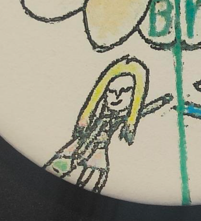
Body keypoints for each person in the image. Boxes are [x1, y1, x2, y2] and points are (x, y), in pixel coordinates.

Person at [45, 56, 172, 193]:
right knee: (55, 172)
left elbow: (146, 109)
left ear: (135, 95)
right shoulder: (95, 116)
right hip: (77, 147)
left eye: (125, 91)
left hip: (97, 154)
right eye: (111, 91)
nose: (117, 96)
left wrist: (163, 101)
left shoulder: (123, 118)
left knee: (90, 182)